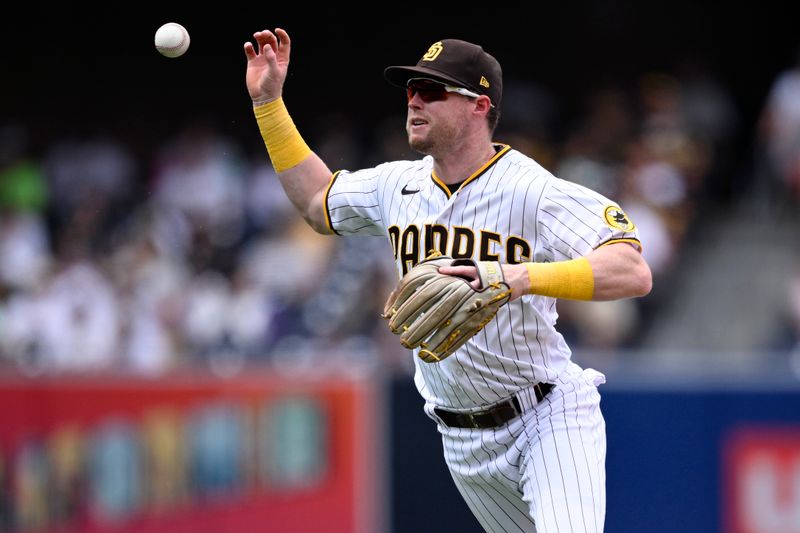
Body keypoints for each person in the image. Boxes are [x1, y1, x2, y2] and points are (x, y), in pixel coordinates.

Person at [244, 28, 652, 533]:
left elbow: (631, 269)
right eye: (411, 89)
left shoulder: (532, 190)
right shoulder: (398, 185)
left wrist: (518, 276)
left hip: (546, 416)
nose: (413, 101)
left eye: (432, 91)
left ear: (479, 105)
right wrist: (268, 104)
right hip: (461, 438)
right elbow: (316, 202)